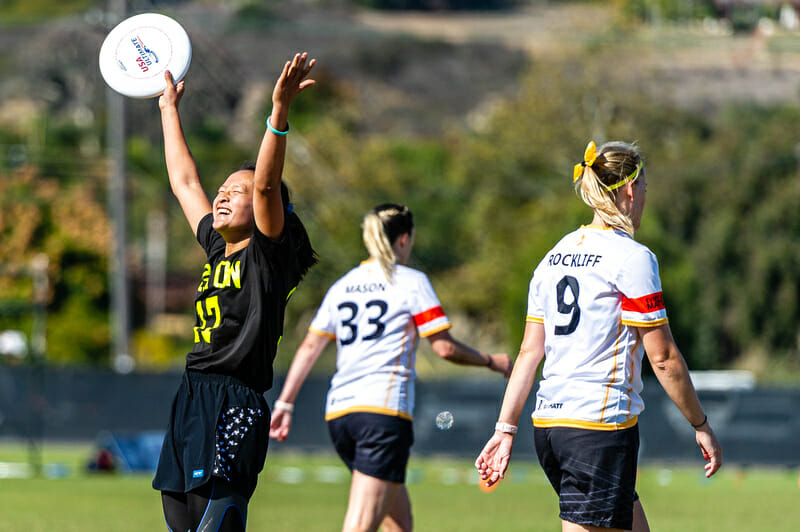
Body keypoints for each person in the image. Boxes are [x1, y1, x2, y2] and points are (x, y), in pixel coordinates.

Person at [475, 141, 722, 532]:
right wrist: (701, 424)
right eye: (643, 187)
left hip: (552, 429)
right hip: (597, 430)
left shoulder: (554, 255)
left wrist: (505, 430)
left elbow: (528, 352)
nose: (644, 196)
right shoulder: (632, 257)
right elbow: (663, 358)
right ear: (629, 188)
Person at [151, 53, 319, 532]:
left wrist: (279, 114)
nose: (223, 195)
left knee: (214, 524)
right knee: (178, 522)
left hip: (234, 401)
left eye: (235, 191)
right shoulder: (215, 247)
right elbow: (184, 182)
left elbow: (267, 186)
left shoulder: (267, 256)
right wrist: (167, 108)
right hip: (190, 396)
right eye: (223, 188)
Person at [269, 203, 513, 532]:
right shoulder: (410, 281)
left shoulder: (343, 285)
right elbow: (444, 347)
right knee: (359, 526)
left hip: (340, 416)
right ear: (403, 240)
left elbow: (310, 346)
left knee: (400, 523)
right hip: (381, 415)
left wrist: (284, 403)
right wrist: (491, 361)